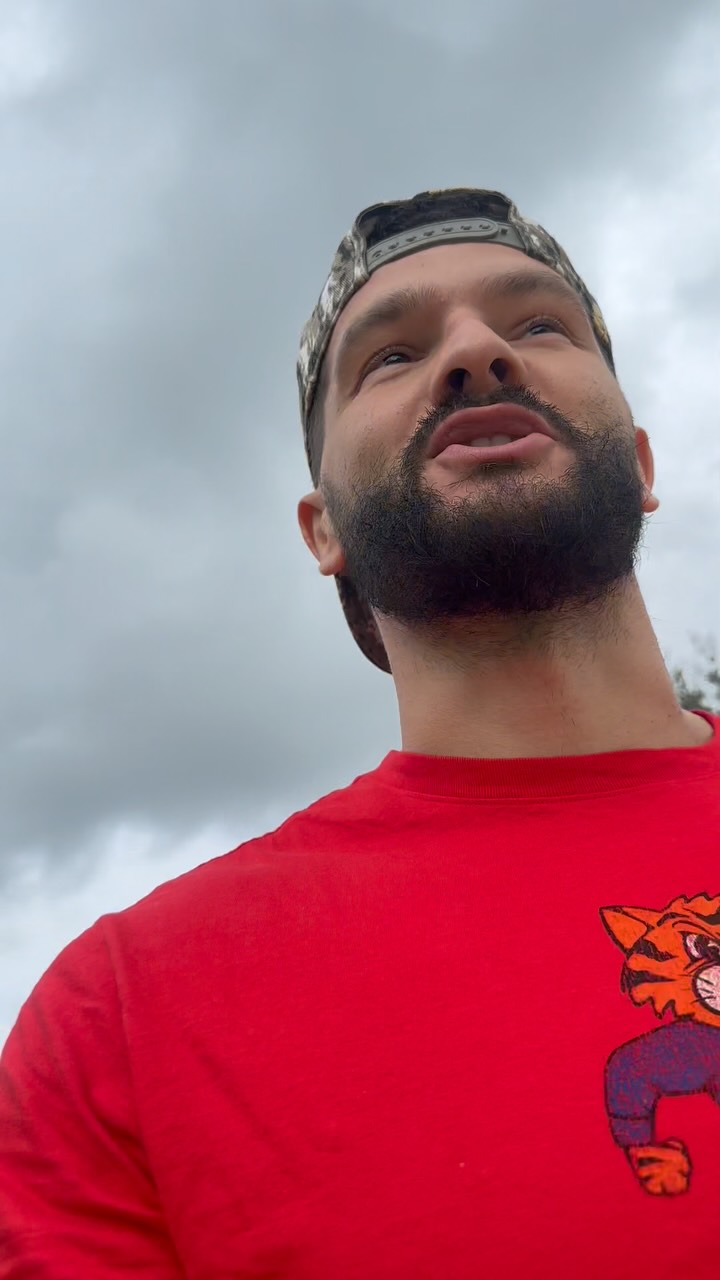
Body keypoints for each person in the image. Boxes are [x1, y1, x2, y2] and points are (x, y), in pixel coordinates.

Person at [0, 188, 718, 1279]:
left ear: (645, 463)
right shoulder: (120, 1024)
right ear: (322, 527)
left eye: (538, 324)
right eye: (390, 356)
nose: (475, 353)